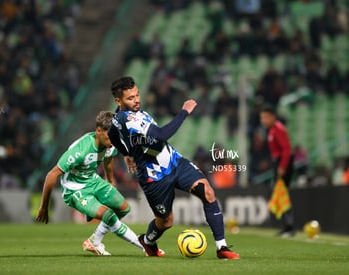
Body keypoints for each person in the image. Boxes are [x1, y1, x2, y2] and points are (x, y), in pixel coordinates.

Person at [108, 76, 239, 259]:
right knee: (166, 222)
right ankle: (147, 241)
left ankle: (222, 247)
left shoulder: (118, 115)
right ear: (118, 100)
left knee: (207, 192)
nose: (137, 100)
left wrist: (126, 153)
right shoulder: (128, 119)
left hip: (174, 161)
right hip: (153, 177)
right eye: (131, 98)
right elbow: (161, 135)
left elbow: (112, 133)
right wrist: (184, 112)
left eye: (137, 95)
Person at [36, 111, 145, 255]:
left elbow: (108, 158)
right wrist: (44, 207)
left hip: (93, 180)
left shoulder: (110, 142)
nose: (113, 139)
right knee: (109, 216)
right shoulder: (80, 151)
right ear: (98, 131)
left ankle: (94, 241)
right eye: (109, 135)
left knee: (124, 208)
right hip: (75, 189)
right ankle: (145, 246)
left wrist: (111, 180)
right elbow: (51, 175)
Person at [260, 105, 295, 237]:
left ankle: (289, 227)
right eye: (261, 118)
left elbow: (286, 150)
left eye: (265, 117)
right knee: (281, 194)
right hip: (278, 162)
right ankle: (286, 226)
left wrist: (282, 167)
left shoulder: (278, 129)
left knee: (283, 194)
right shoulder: (272, 130)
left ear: (272, 117)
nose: (263, 120)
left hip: (282, 163)